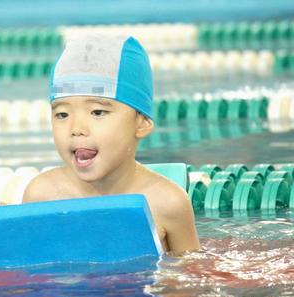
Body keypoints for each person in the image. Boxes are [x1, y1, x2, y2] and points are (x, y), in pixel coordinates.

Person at [22, 34, 200, 253]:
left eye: (97, 112)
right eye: (62, 114)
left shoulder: (167, 203)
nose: (76, 128)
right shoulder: (42, 195)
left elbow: (188, 278)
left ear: (141, 123)